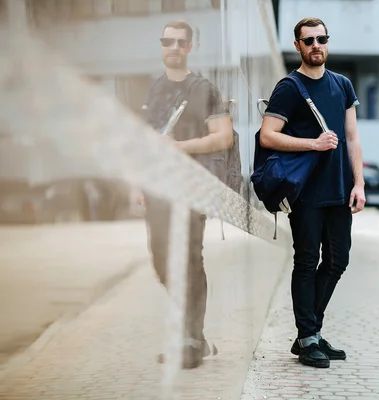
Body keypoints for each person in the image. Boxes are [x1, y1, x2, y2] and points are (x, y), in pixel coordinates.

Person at [259, 17, 366, 369]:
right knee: (306, 261)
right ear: (298, 46)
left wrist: (359, 184)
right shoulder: (289, 87)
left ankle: (311, 332)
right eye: (308, 41)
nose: (316, 45)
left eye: (321, 39)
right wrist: (313, 143)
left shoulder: (343, 85)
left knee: (338, 261)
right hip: (305, 192)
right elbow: (267, 135)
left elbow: (352, 137)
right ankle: (308, 337)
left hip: (339, 189)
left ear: (327, 42)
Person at [141, 20, 233, 369]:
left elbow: (223, 136)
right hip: (158, 189)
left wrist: (179, 146)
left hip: (194, 186)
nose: (173, 47)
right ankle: (192, 331)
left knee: (190, 259)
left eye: (180, 42)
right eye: (167, 41)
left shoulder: (204, 88)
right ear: (162, 45)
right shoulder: (154, 90)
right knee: (162, 261)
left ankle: (191, 338)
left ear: (190, 47)